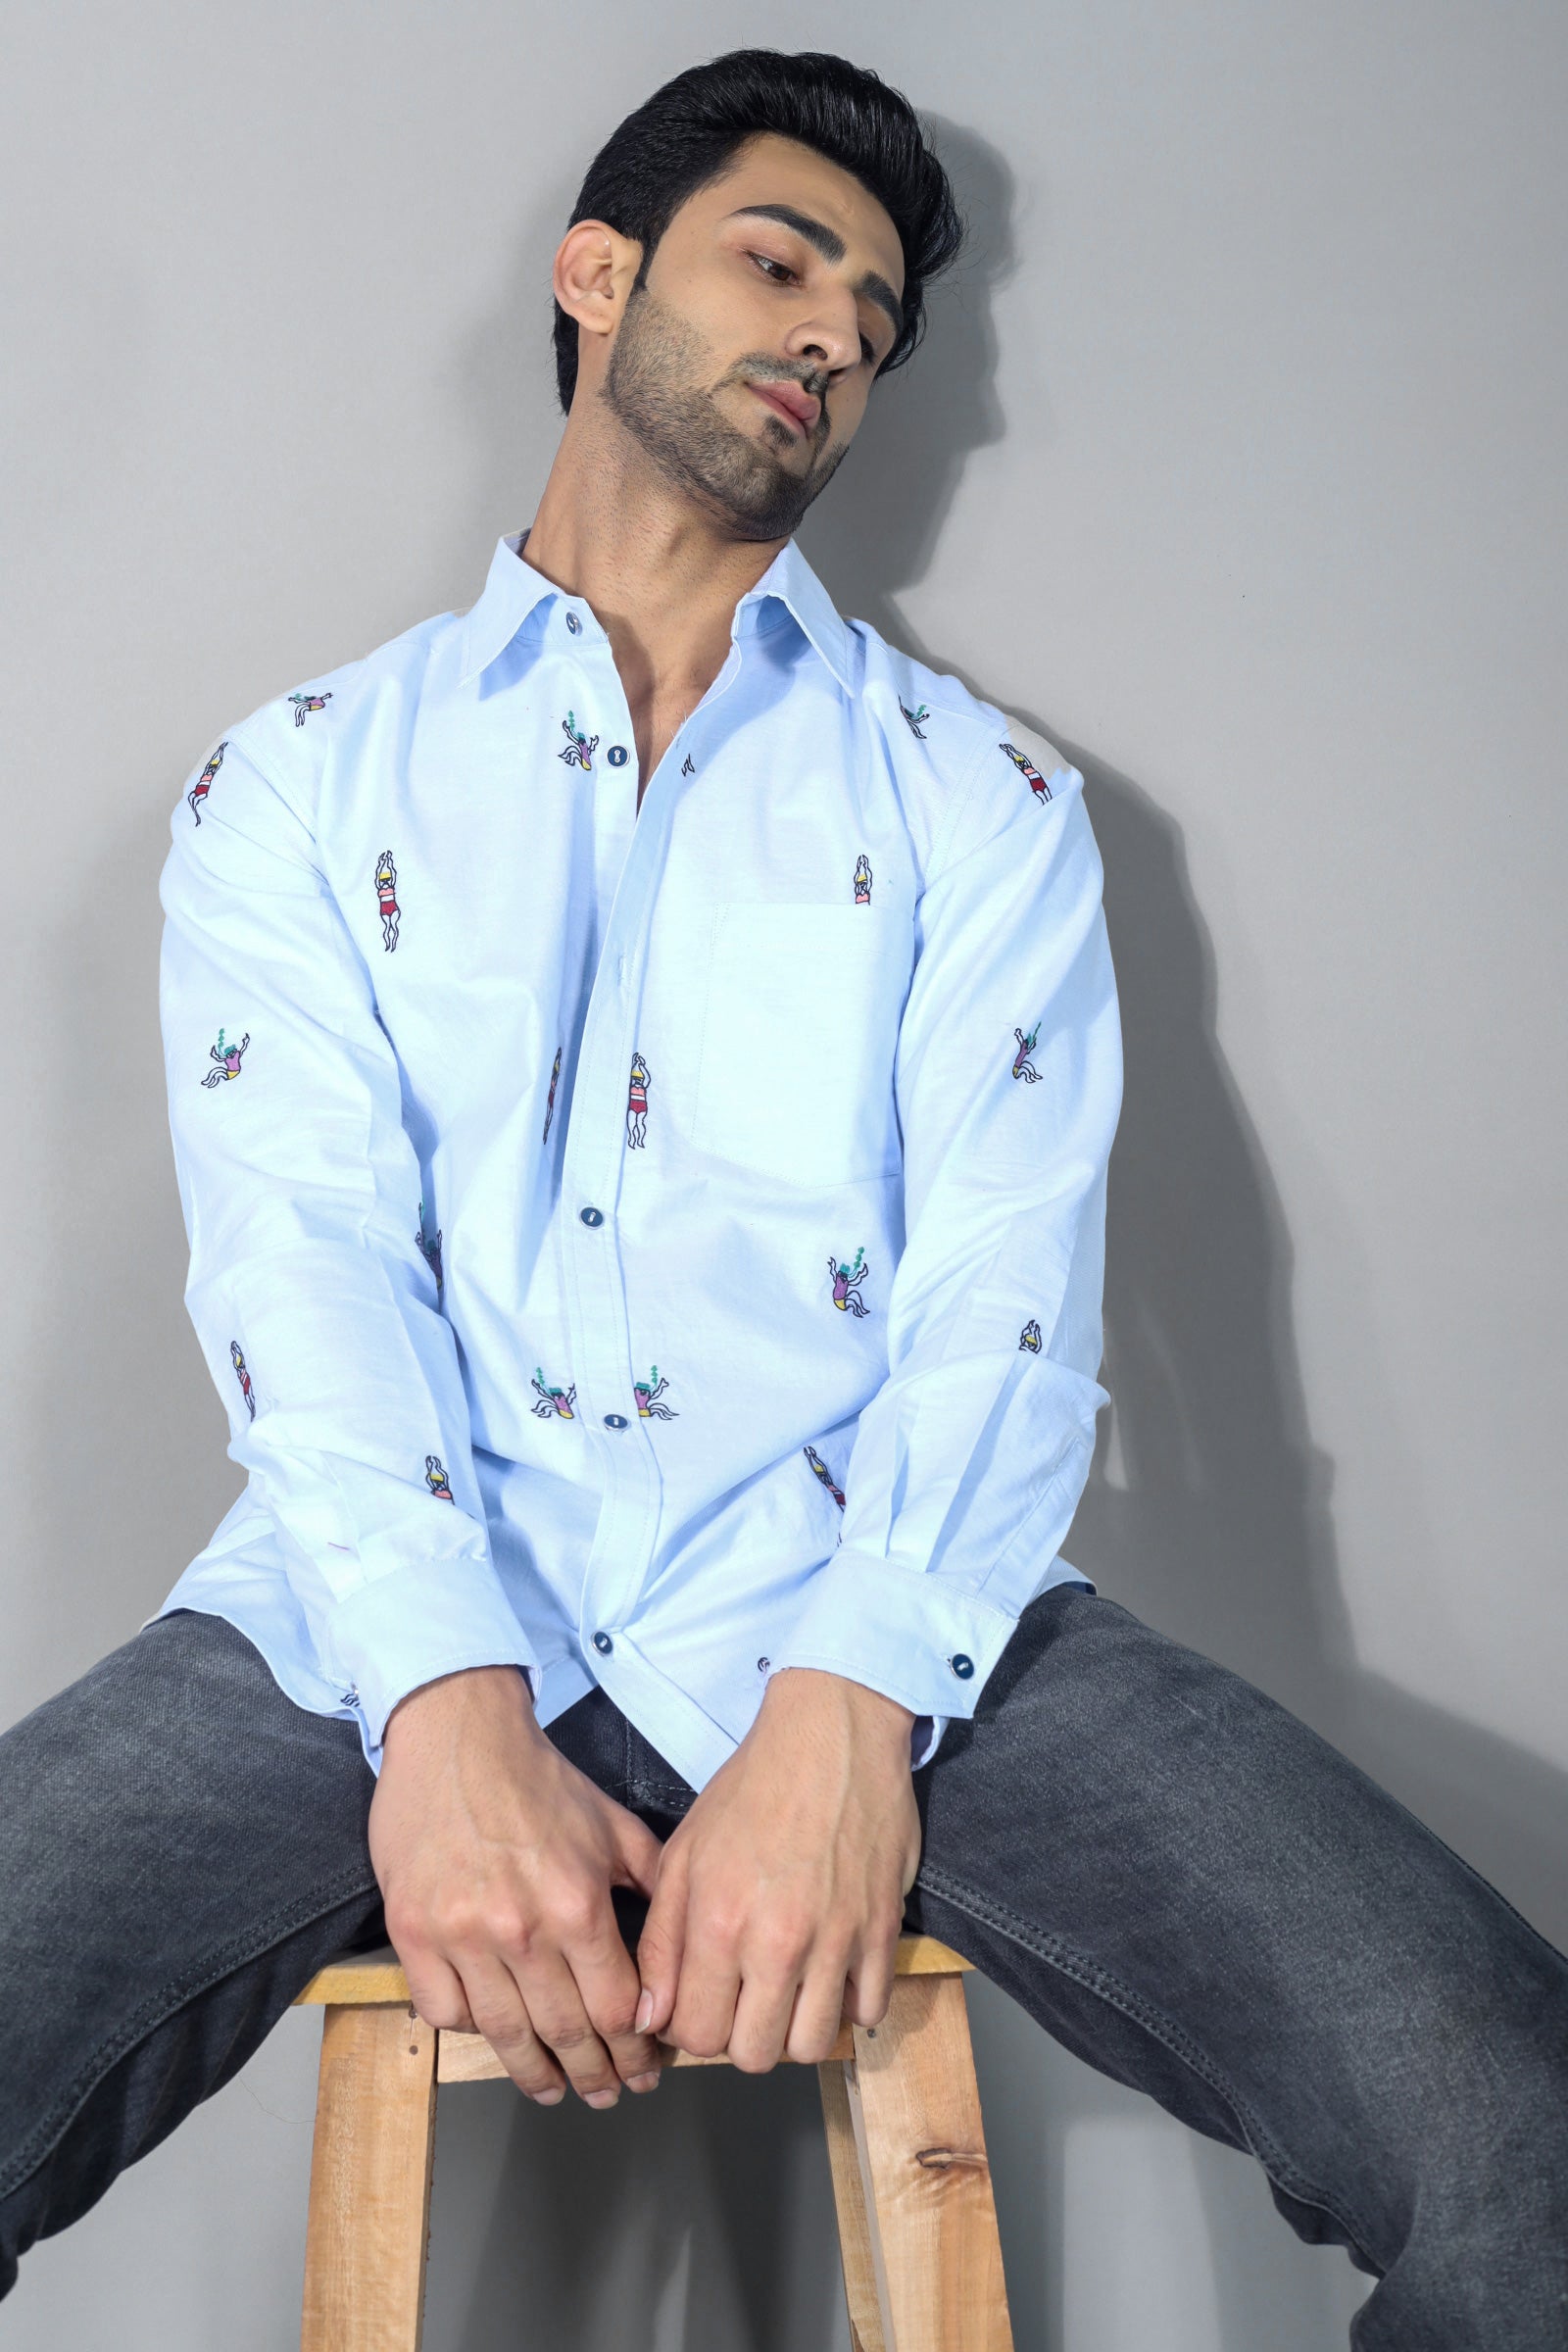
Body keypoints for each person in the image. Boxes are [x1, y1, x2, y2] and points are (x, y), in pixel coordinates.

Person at [1, 46, 1563, 2346]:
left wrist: (842, 1712)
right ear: (594, 274)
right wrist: (444, 1712)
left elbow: (1003, 1300)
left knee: (1520, 2131)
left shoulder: (977, 801)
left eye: (875, 317)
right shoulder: (299, 783)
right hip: (360, 1623)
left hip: (884, 1610)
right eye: (778, 259)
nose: (833, 331)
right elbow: (298, 1262)